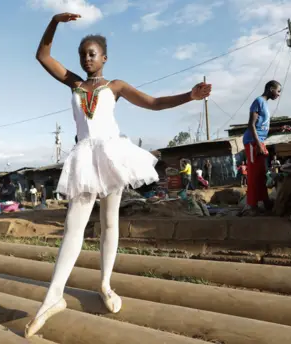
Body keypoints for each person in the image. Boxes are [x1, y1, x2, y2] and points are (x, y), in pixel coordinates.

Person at [24, 12, 212, 338]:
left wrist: (189, 96)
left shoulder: (117, 86)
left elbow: (153, 102)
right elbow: (42, 56)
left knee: (110, 221)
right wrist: (54, 21)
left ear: (104, 58)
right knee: (74, 225)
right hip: (84, 155)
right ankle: (53, 296)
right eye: (83, 54)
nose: (86, 58)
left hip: (112, 154)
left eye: (92, 53)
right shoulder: (74, 82)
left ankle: (105, 284)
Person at [242, 80, 291, 215]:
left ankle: (265, 201)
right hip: (252, 142)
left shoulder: (265, 104)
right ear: (271, 89)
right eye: (278, 90)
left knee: (261, 174)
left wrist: (279, 129)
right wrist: (258, 144)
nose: (279, 94)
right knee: (253, 175)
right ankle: (251, 206)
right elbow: (251, 125)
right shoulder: (258, 101)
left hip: (259, 141)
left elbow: (263, 128)